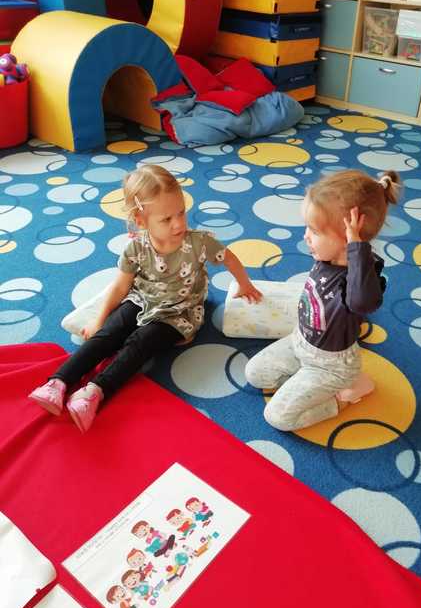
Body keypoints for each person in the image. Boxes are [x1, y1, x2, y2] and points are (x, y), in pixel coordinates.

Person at [29, 164, 262, 432]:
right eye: (166, 219)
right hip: (141, 299)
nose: (179, 223)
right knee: (108, 333)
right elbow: (120, 287)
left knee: (140, 343)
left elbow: (228, 257)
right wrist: (98, 319)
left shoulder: (199, 242)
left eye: (181, 212)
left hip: (179, 312)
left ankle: (94, 392)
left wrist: (244, 284)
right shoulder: (136, 247)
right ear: (141, 221)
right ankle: (58, 382)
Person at [245, 168, 400, 431]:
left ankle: (344, 396)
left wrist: (357, 247)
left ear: (349, 241)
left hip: (332, 367)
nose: (306, 236)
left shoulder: (361, 280)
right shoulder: (326, 257)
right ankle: (306, 384)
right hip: (300, 344)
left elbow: (363, 304)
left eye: (315, 231)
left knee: (278, 417)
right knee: (255, 374)